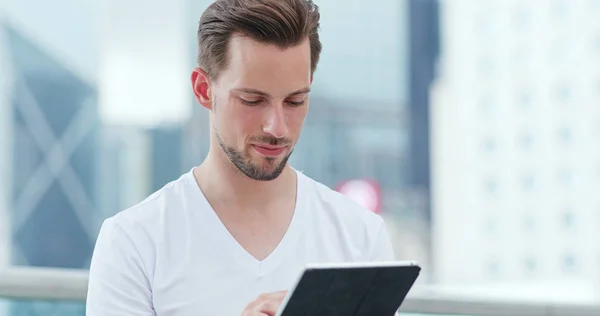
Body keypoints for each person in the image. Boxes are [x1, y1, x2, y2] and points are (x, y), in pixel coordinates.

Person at [86, 0, 398, 315]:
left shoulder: (359, 235)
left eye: (294, 100)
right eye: (252, 100)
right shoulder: (134, 242)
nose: (277, 127)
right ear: (203, 89)